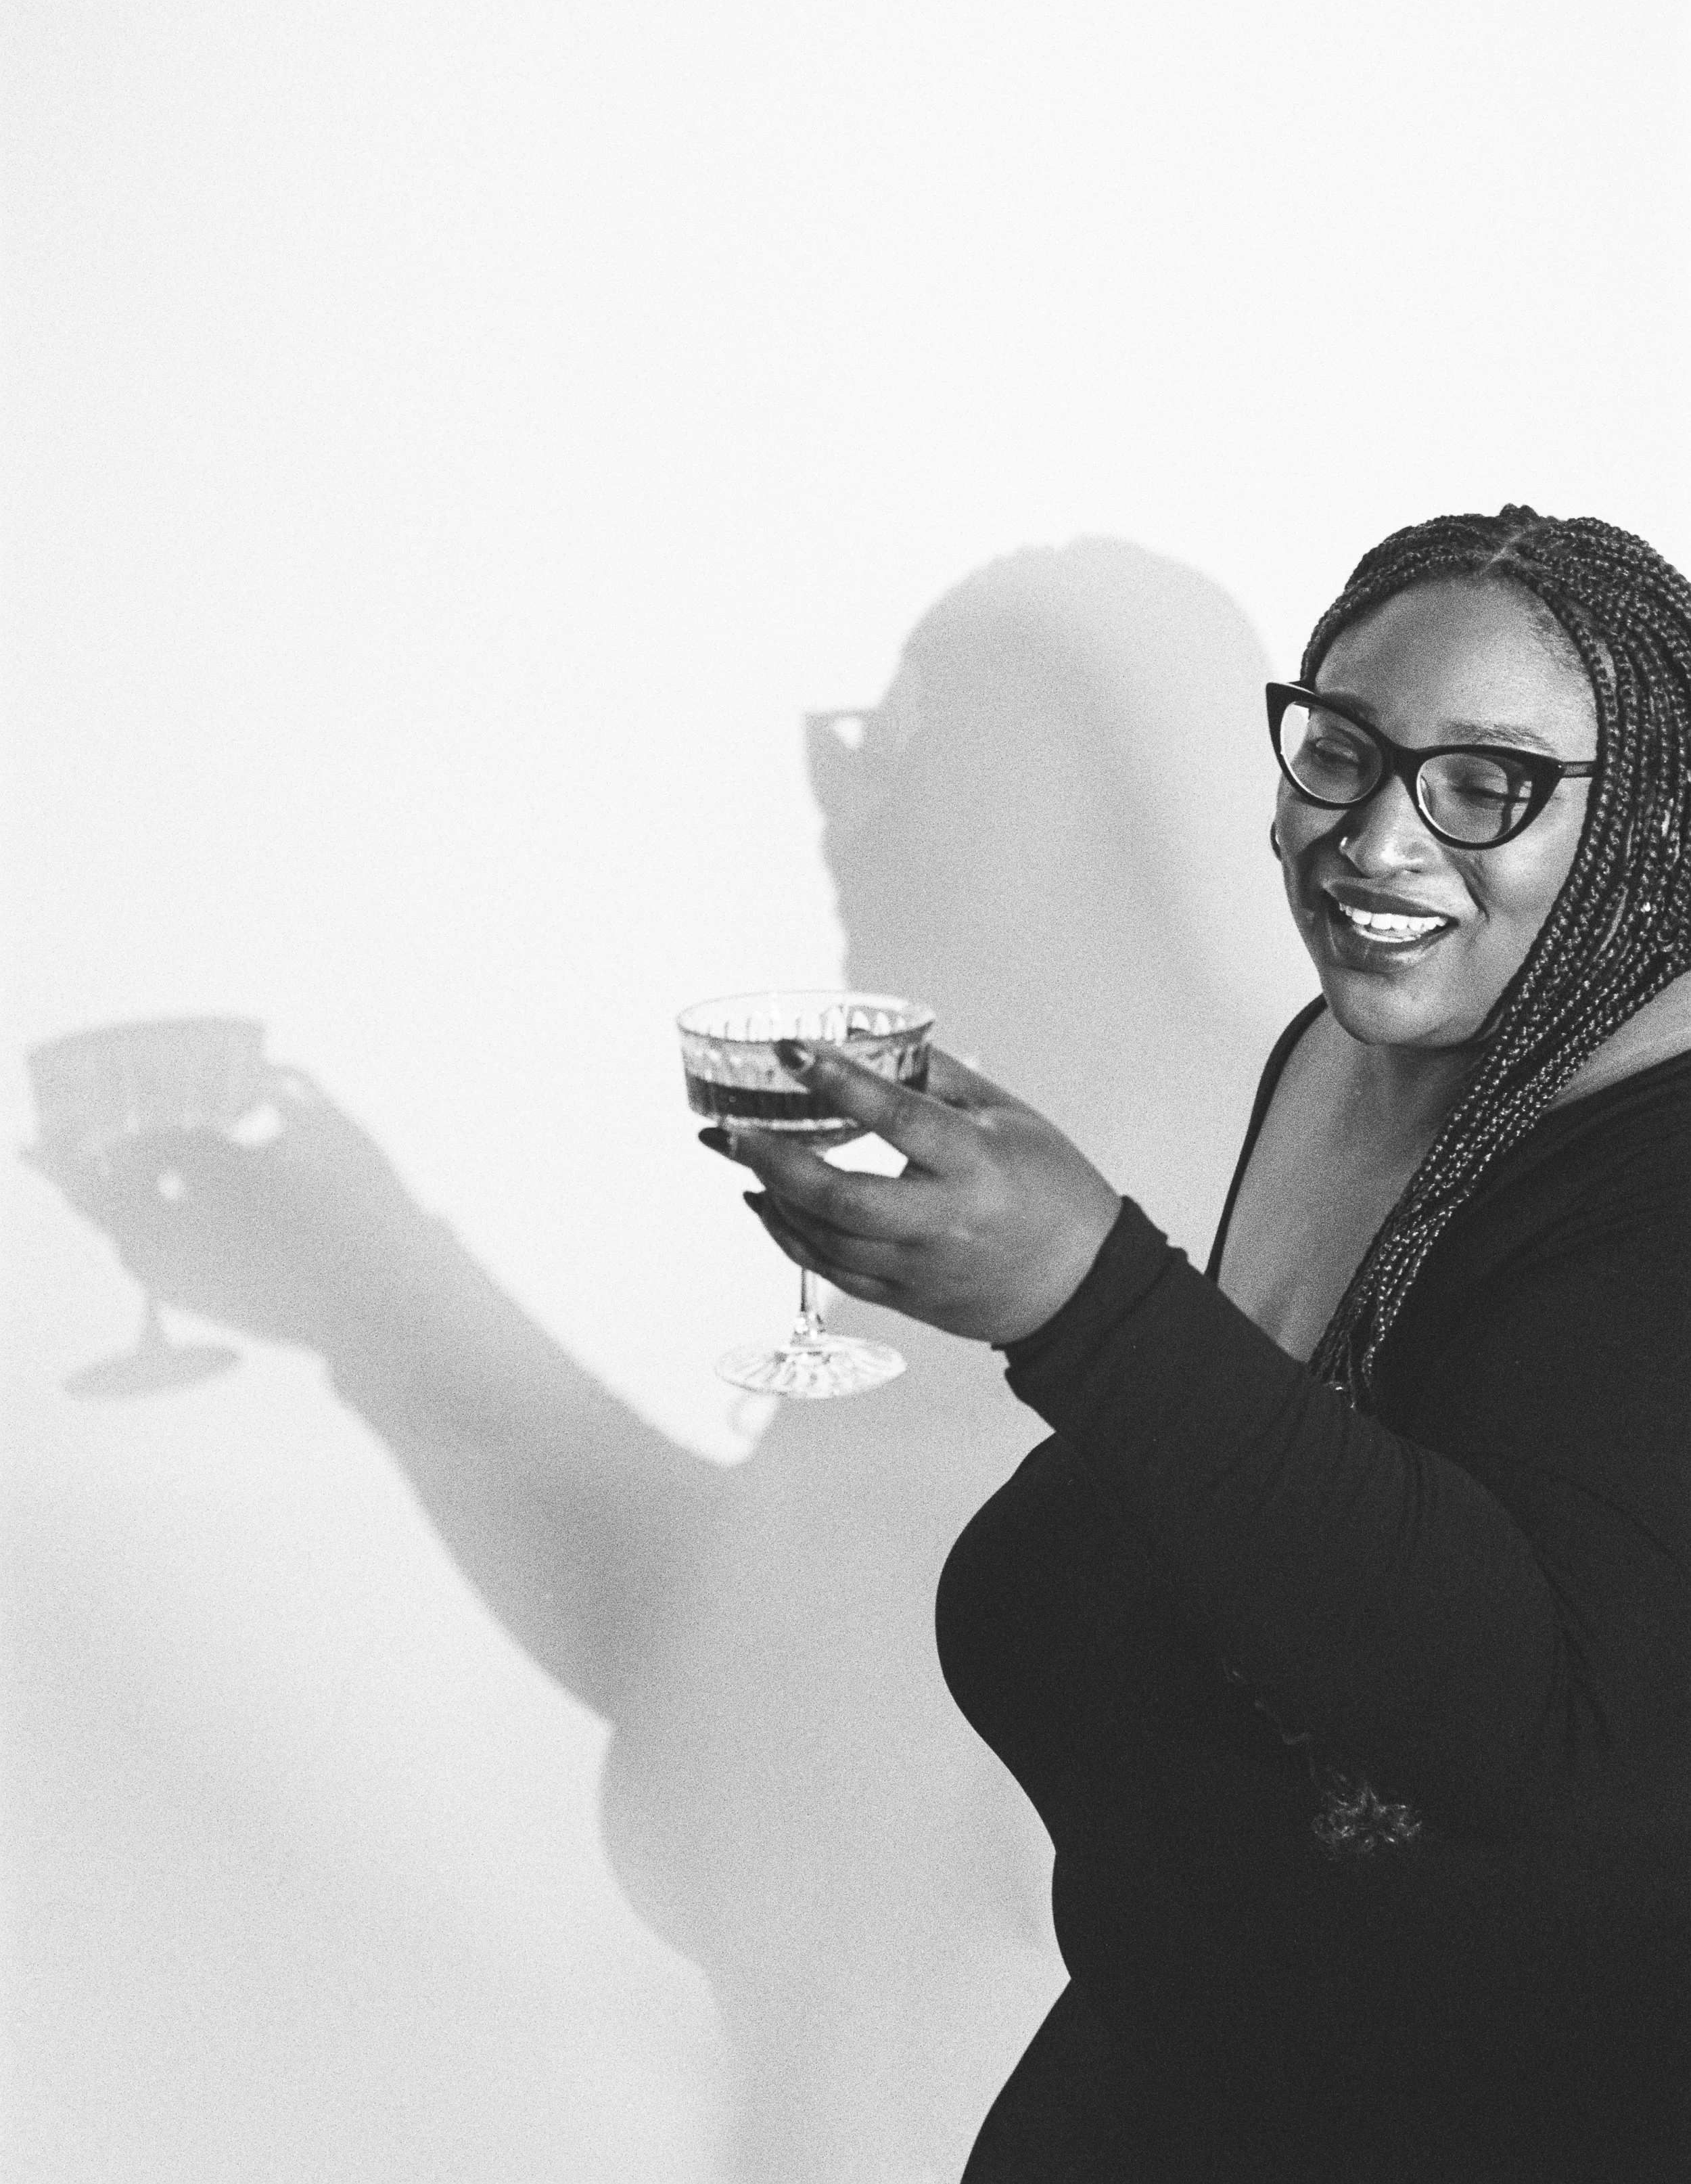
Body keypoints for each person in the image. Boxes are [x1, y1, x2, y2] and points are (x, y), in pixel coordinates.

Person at [29, 540, 1302, 2184]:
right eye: (850, 743)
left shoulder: (1273, 1305)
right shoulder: (932, 1275)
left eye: (918, 748)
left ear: (1148, 819)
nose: (846, 807)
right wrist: (363, 1280)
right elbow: (742, 1687)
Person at [708, 507, 1691, 2181]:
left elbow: (1531, 1730)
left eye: (1486, 784)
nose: (1374, 840)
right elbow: (1276, 1523)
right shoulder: (1343, 1057)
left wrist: (1080, 1293)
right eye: (1341, 750)